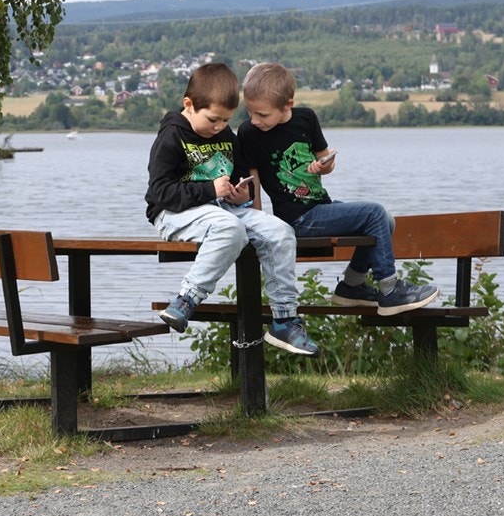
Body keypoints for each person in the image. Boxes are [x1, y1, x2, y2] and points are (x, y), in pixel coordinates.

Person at [234, 62, 440, 314]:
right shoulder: (247, 133)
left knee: (385, 219)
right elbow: (252, 181)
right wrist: (259, 225)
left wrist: (324, 167)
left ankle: (352, 286)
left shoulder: (306, 118)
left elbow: (328, 160)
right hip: (296, 219)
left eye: (262, 115)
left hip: (320, 207)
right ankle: (389, 290)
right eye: (250, 112)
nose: (254, 120)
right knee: (374, 213)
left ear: (287, 104)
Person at [146, 62, 319, 355]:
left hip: (223, 210)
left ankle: (284, 320)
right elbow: (159, 192)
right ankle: (186, 299)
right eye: (213, 119)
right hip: (174, 213)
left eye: (226, 121)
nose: (219, 128)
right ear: (189, 105)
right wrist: (209, 189)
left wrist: (242, 195)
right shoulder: (172, 135)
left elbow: (242, 180)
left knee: (281, 232)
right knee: (231, 228)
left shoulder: (226, 137)